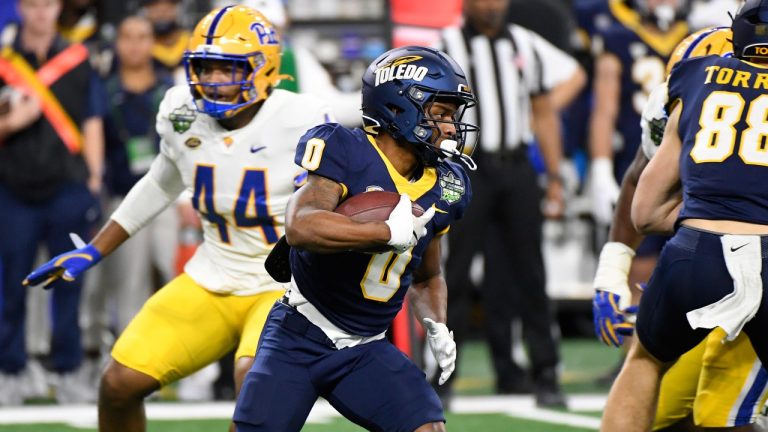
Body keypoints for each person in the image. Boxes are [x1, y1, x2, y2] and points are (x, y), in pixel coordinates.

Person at [24, 5, 331, 431]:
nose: (213, 81)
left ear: (264, 69)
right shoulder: (180, 110)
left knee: (255, 386)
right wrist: (95, 250)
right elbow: (160, 183)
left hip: (282, 288)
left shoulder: (301, 120)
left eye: (228, 69)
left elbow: (341, 196)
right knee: (118, 382)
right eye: (205, 68)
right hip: (212, 275)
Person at [233, 45, 476, 432]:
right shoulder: (345, 148)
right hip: (300, 334)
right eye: (440, 113)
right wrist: (382, 233)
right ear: (399, 106)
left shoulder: (448, 184)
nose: (450, 127)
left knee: (428, 429)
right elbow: (301, 226)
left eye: (453, 115)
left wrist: (436, 323)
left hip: (367, 347)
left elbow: (428, 276)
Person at [601, 1, 768, 430]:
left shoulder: (694, 76)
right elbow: (639, 172)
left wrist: (707, 215)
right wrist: (612, 267)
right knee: (686, 414)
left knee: (687, 394)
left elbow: (645, 204)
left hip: (693, 255)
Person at [436, 0, 584, 407]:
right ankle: (442, 375)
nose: (492, 6)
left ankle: (546, 373)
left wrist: (554, 176)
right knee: (457, 274)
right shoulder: (446, 46)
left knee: (530, 274)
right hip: (468, 169)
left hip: (516, 166)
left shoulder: (524, 43)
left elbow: (542, 111)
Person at [0, 0, 104, 405]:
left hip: (68, 189)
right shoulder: (5, 61)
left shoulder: (78, 59)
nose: (41, 12)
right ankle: (10, 371)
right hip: (12, 189)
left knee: (70, 283)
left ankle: (68, 371)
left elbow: (92, 120)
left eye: (47, 4)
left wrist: (94, 179)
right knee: (10, 286)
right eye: (33, 4)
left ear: (57, 7)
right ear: (21, 9)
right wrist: (14, 122)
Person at [78, 14, 177, 387]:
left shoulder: (170, 90)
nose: (135, 44)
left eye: (142, 36)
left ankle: (179, 362)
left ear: (152, 41)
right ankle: (126, 362)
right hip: (122, 197)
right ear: (117, 42)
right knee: (126, 282)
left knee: (172, 274)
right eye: (127, 37)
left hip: (168, 198)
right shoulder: (103, 88)